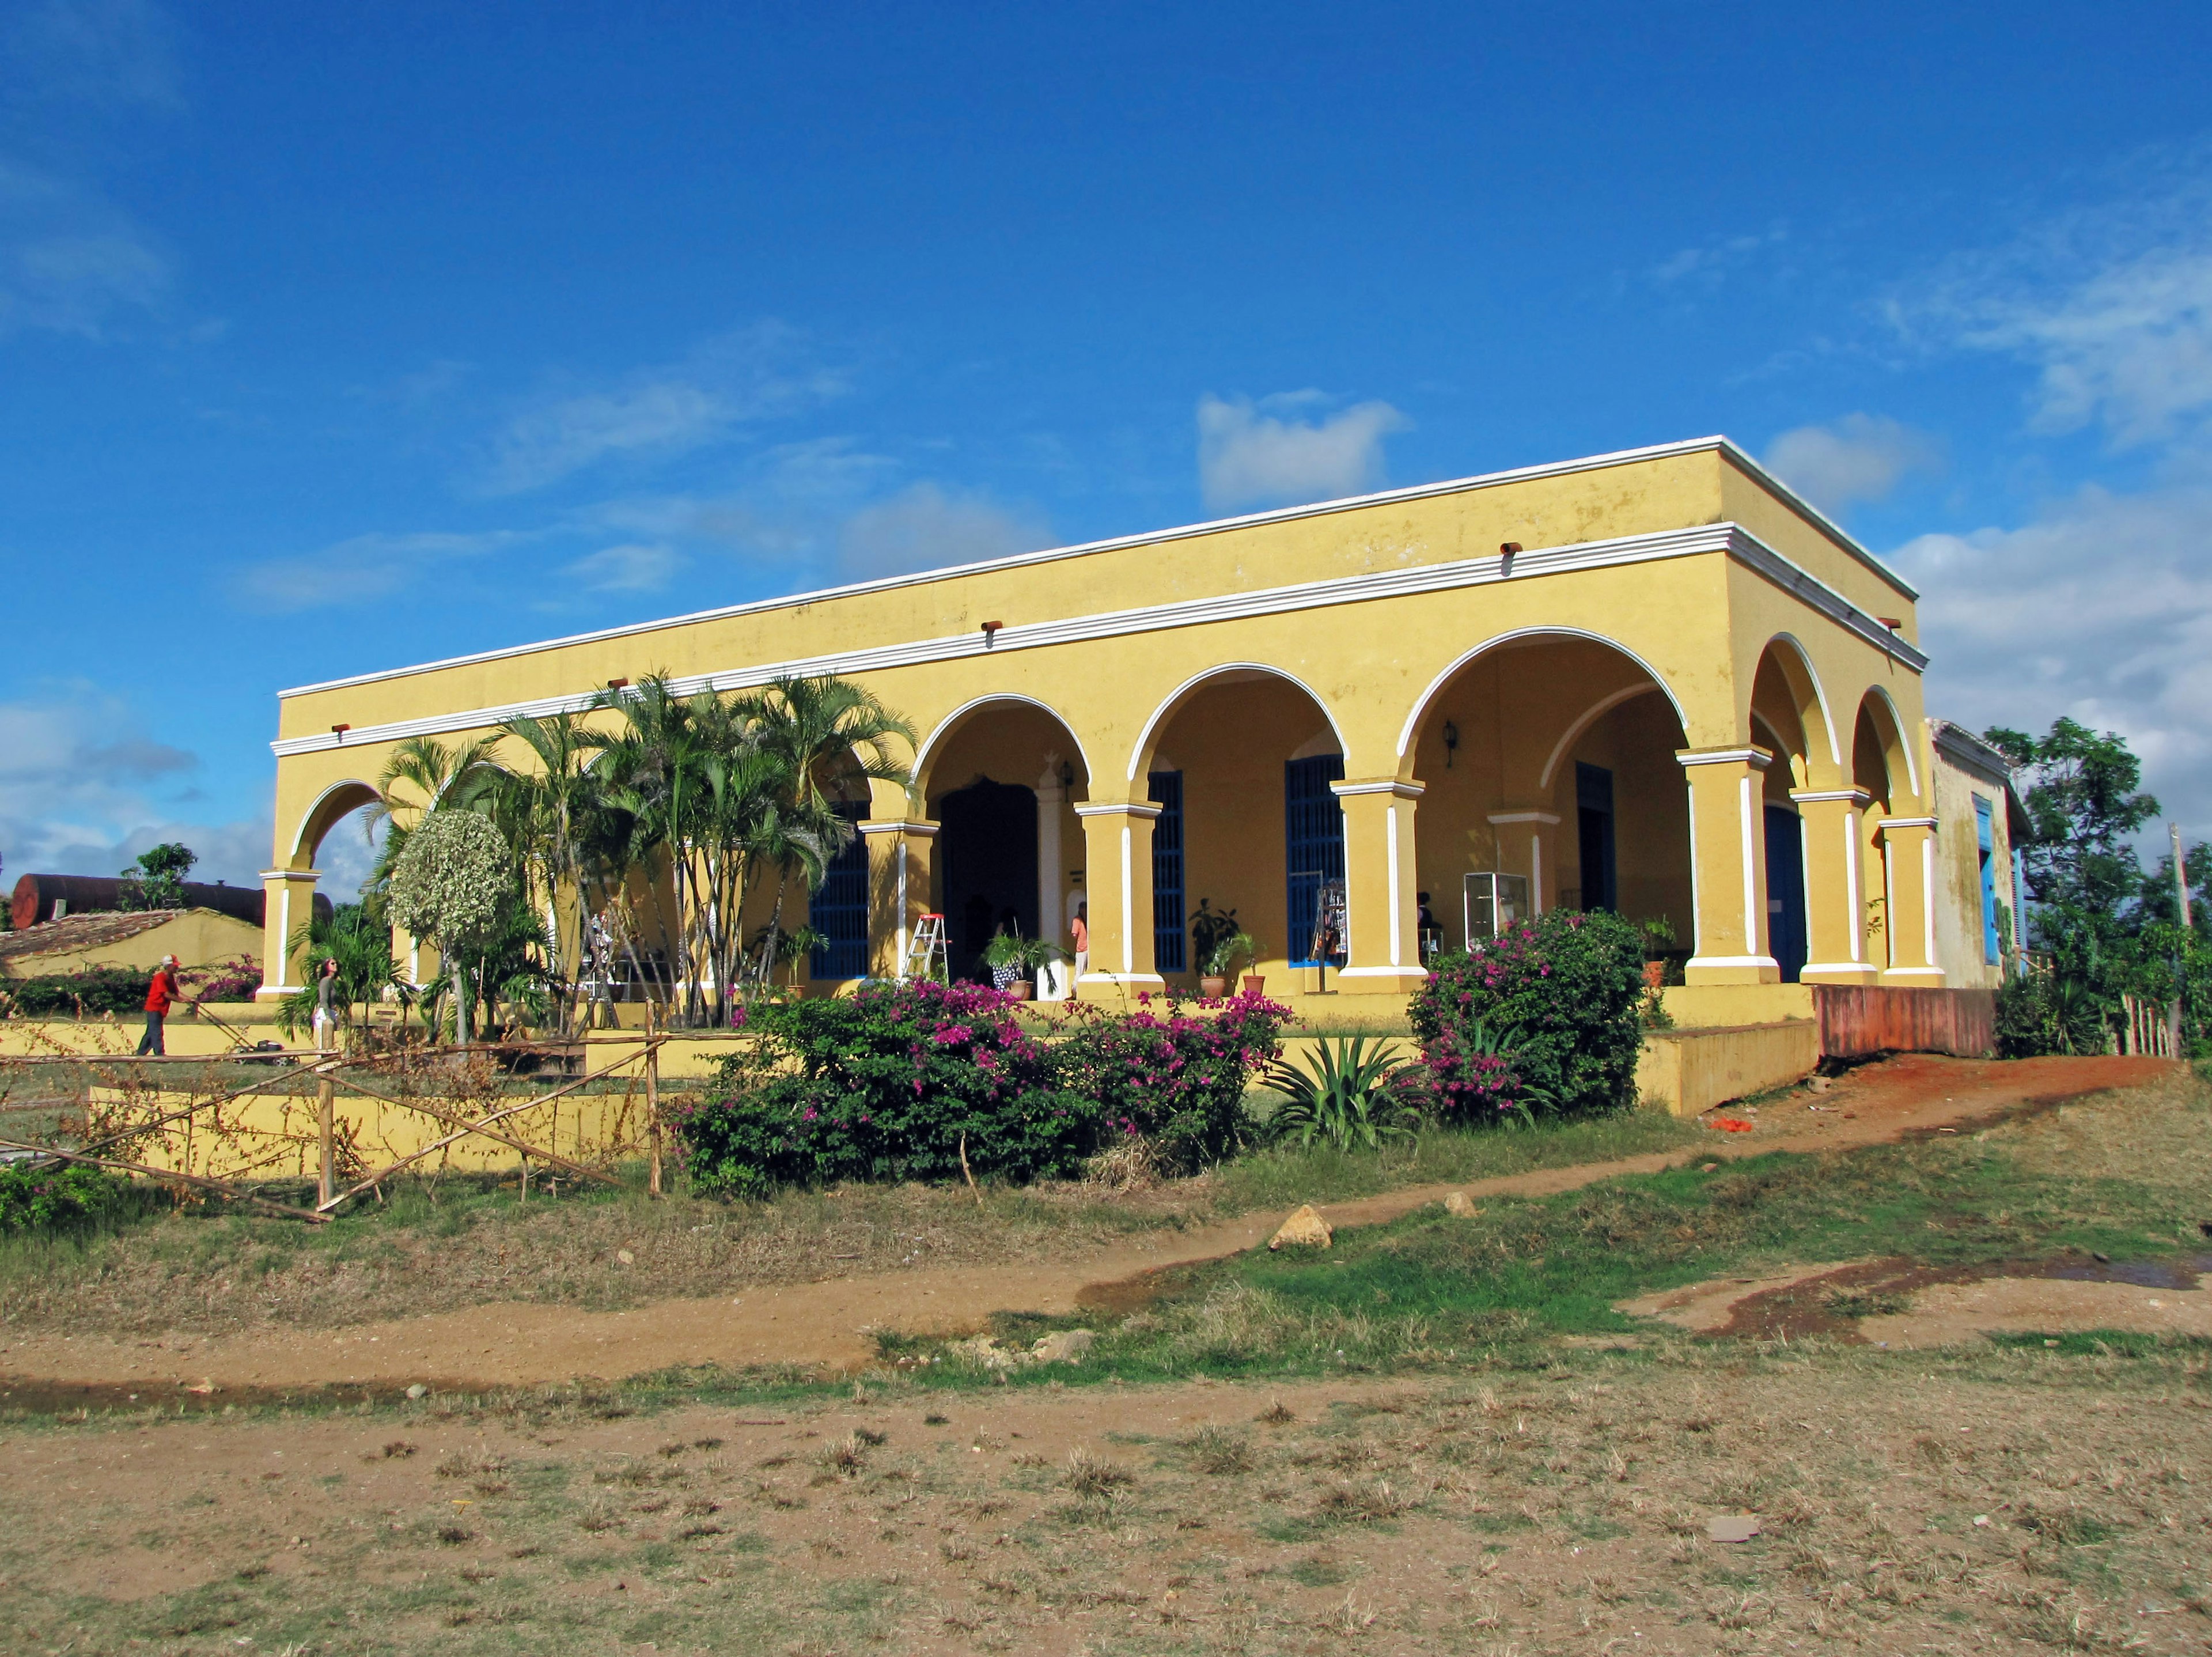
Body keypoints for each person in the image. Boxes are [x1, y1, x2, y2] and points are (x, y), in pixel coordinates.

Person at [137, 955, 182, 1056]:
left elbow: (176, 993)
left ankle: (140, 1054)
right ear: (169, 966)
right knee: (157, 1032)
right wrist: (181, 1001)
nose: (177, 968)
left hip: (161, 1009)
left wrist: (190, 999)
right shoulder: (160, 977)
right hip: (154, 1008)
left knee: (150, 1033)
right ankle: (160, 1054)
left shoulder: (170, 978)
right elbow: (166, 994)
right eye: (175, 966)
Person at [313, 956, 340, 1050]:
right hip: (325, 1012)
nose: (335, 965)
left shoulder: (333, 981)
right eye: (332, 964)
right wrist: (328, 1017)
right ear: (327, 967)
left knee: (330, 1040)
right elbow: (324, 1000)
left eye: (336, 963)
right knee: (324, 1041)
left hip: (331, 1011)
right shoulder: (326, 981)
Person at [1069, 902, 1089, 983]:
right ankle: (1075, 992)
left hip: (1088, 949)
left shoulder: (1087, 919)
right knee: (1079, 972)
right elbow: (1074, 934)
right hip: (1082, 950)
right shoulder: (1077, 920)